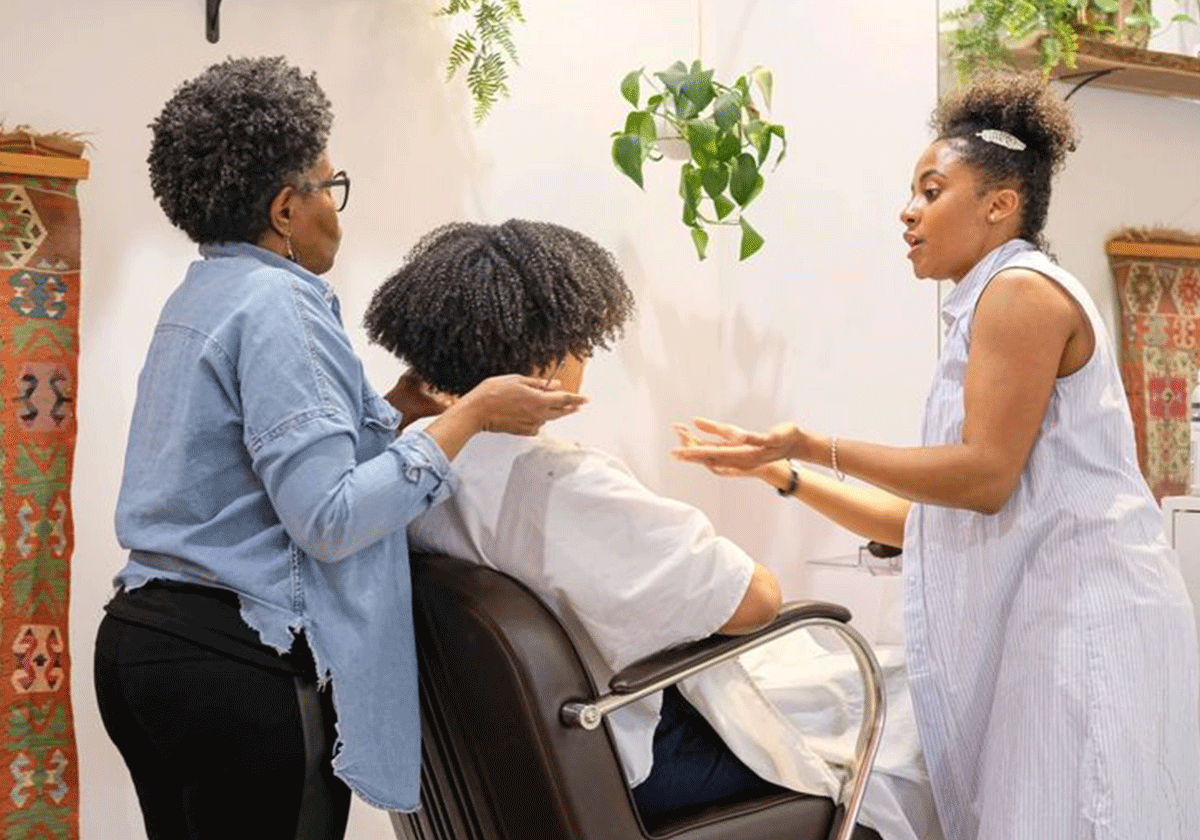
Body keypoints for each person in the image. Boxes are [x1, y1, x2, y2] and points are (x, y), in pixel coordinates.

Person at [673, 70, 1200, 840]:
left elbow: (983, 478)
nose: (907, 211)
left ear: (999, 204)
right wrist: (782, 472)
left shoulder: (1020, 291)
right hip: (1049, 621)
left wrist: (811, 441)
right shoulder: (987, 302)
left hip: (1086, 623)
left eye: (930, 190)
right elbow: (926, 515)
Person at [92, 57, 584, 840]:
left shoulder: (203, 294)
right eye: (330, 187)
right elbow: (328, 519)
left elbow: (254, 465)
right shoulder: (283, 305)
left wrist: (399, 410)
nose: (338, 212)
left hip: (143, 651)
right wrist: (472, 418)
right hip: (238, 667)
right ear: (286, 207)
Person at [363, 218, 941, 840]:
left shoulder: (413, 467)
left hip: (507, 766)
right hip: (633, 762)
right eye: (582, 344)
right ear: (546, 364)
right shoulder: (562, 485)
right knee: (907, 717)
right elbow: (755, 601)